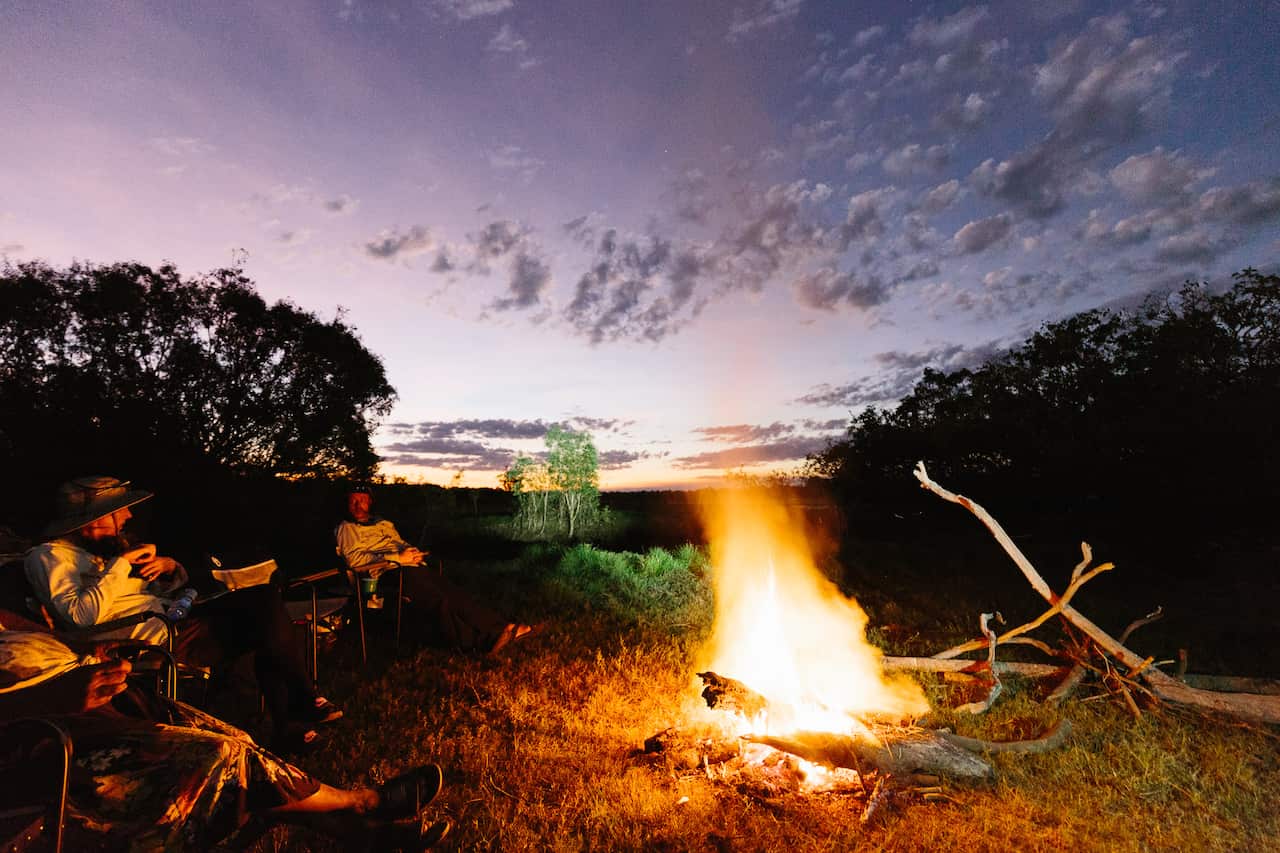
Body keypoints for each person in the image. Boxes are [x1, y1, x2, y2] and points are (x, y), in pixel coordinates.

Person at [0, 609, 450, 850]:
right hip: (37, 734)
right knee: (220, 757)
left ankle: (361, 835)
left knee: (240, 744)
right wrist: (48, 700)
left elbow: (21, 628)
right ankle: (361, 805)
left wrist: (83, 648)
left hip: (97, 698)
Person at [24, 475, 340, 752]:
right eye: (119, 510)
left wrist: (170, 568)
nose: (128, 515)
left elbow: (143, 595)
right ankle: (296, 711)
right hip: (150, 639)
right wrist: (122, 563)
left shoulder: (95, 554)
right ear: (94, 520)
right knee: (265, 619)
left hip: (172, 619)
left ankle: (293, 716)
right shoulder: (49, 557)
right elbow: (81, 617)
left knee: (266, 608)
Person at [337, 488, 539, 654]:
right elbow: (355, 560)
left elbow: (398, 543)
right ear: (347, 505)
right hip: (383, 575)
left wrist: (412, 552)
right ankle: (476, 643)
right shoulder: (346, 528)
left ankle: (504, 628)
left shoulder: (383, 523)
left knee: (452, 592)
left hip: (408, 565)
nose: (357, 505)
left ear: (370, 502)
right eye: (353, 501)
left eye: (362, 500)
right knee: (437, 600)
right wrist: (398, 558)